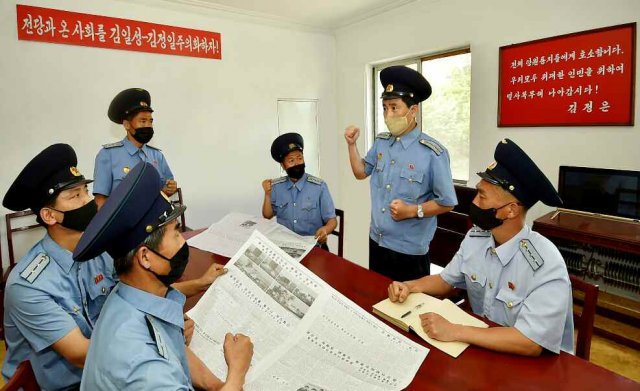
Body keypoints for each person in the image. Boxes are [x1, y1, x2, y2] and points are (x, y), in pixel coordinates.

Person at [74, 162, 253, 390]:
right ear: (145, 257)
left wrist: (217, 386)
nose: (183, 241)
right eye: (176, 233)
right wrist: (237, 371)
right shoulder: (143, 367)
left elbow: (173, 348)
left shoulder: (129, 292)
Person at [387, 138, 574, 356]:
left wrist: (455, 331)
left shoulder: (545, 263)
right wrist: (410, 286)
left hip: (536, 367)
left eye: (482, 196)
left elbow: (530, 342)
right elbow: (446, 280)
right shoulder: (477, 238)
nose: (474, 202)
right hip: (484, 349)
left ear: (510, 210)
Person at [1, 144, 116, 389]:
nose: (89, 201)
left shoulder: (96, 250)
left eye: (86, 190)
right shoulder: (27, 284)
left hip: (99, 369)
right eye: (75, 195)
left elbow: (128, 291)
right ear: (50, 216)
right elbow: (81, 354)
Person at [344, 65, 457, 281]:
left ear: (413, 110)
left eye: (394, 108)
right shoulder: (382, 142)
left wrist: (413, 210)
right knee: (377, 301)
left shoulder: (433, 153)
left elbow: (447, 202)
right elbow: (360, 172)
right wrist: (351, 145)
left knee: (406, 311)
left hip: (409, 251)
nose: (388, 115)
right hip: (376, 240)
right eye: (385, 108)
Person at [93, 88, 177, 208]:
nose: (148, 125)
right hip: (124, 224)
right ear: (127, 124)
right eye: (142, 121)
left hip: (156, 222)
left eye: (150, 121)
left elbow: (167, 190)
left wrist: (170, 188)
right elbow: (100, 201)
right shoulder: (108, 155)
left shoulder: (157, 156)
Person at [262, 133, 337, 249]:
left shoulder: (319, 186)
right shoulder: (277, 186)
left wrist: (325, 230)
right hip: (285, 246)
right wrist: (267, 194)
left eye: (299, 158)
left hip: (313, 247)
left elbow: (332, 221)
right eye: (291, 160)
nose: (297, 163)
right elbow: (267, 215)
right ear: (283, 165)